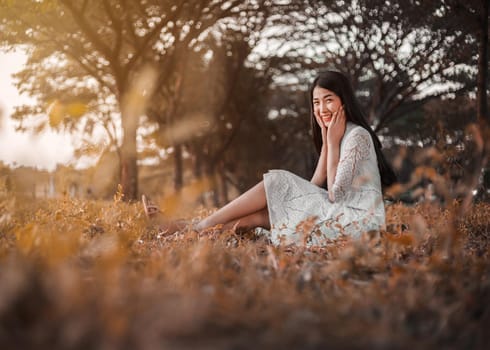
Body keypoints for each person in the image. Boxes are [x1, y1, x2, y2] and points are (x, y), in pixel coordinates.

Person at [143, 70, 397, 246]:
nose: (321, 109)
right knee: (261, 215)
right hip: (340, 214)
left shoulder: (357, 136)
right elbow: (316, 180)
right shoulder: (336, 132)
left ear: (344, 101)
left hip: (358, 224)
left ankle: (192, 228)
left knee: (275, 184)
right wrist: (326, 137)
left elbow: (335, 194)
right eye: (316, 102)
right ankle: (188, 231)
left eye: (328, 100)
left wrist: (331, 142)